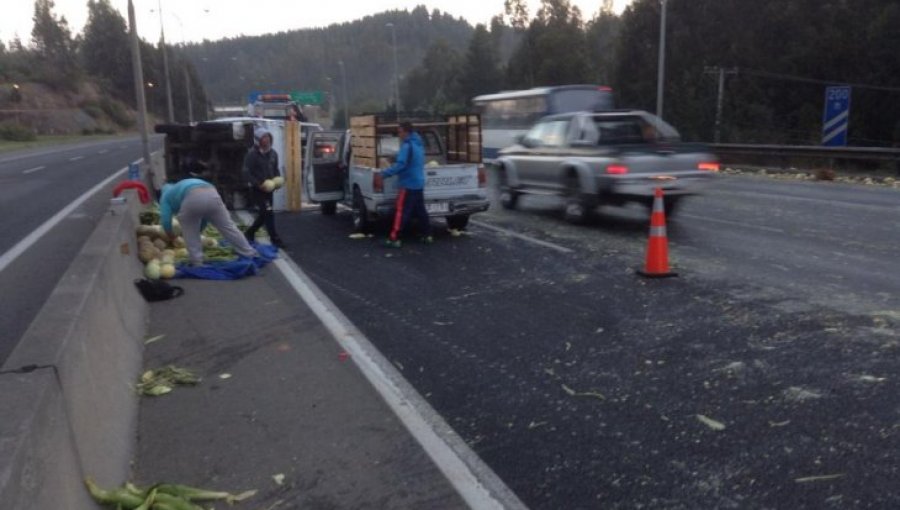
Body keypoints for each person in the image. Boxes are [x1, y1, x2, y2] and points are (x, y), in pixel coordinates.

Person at [159, 178, 258, 266]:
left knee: (190, 231)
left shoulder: (165, 196)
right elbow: (204, 217)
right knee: (229, 227)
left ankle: (197, 261)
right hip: (211, 192)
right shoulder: (178, 186)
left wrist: (171, 236)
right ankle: (248, 252)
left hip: (192, 195)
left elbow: (166, 220)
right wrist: (200, 230)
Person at [381, 121, 432, 248]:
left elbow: (401, 165)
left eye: (400, 132)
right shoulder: (418, 144)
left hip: (408, 185)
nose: (399, 135)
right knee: (421, 211)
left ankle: (395, 238)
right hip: (418, 183)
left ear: (406, 131)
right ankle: (427, 235)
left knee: (401, 212)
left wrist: (384, 174)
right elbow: (411, 161)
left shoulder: (407, 146)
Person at [243, 128, 285, 248]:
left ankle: (249, 233)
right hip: (258, 190)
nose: (267, 139)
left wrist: (278, 181)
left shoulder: (273, 154)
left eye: (268, 137)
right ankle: (275, 238)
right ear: (258, 140)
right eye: (264, 137)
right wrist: (257, 184)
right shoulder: (251, 155)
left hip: (269, 189)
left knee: (265, 213)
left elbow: (275, 169)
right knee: (268, 212)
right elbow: (246, 173)